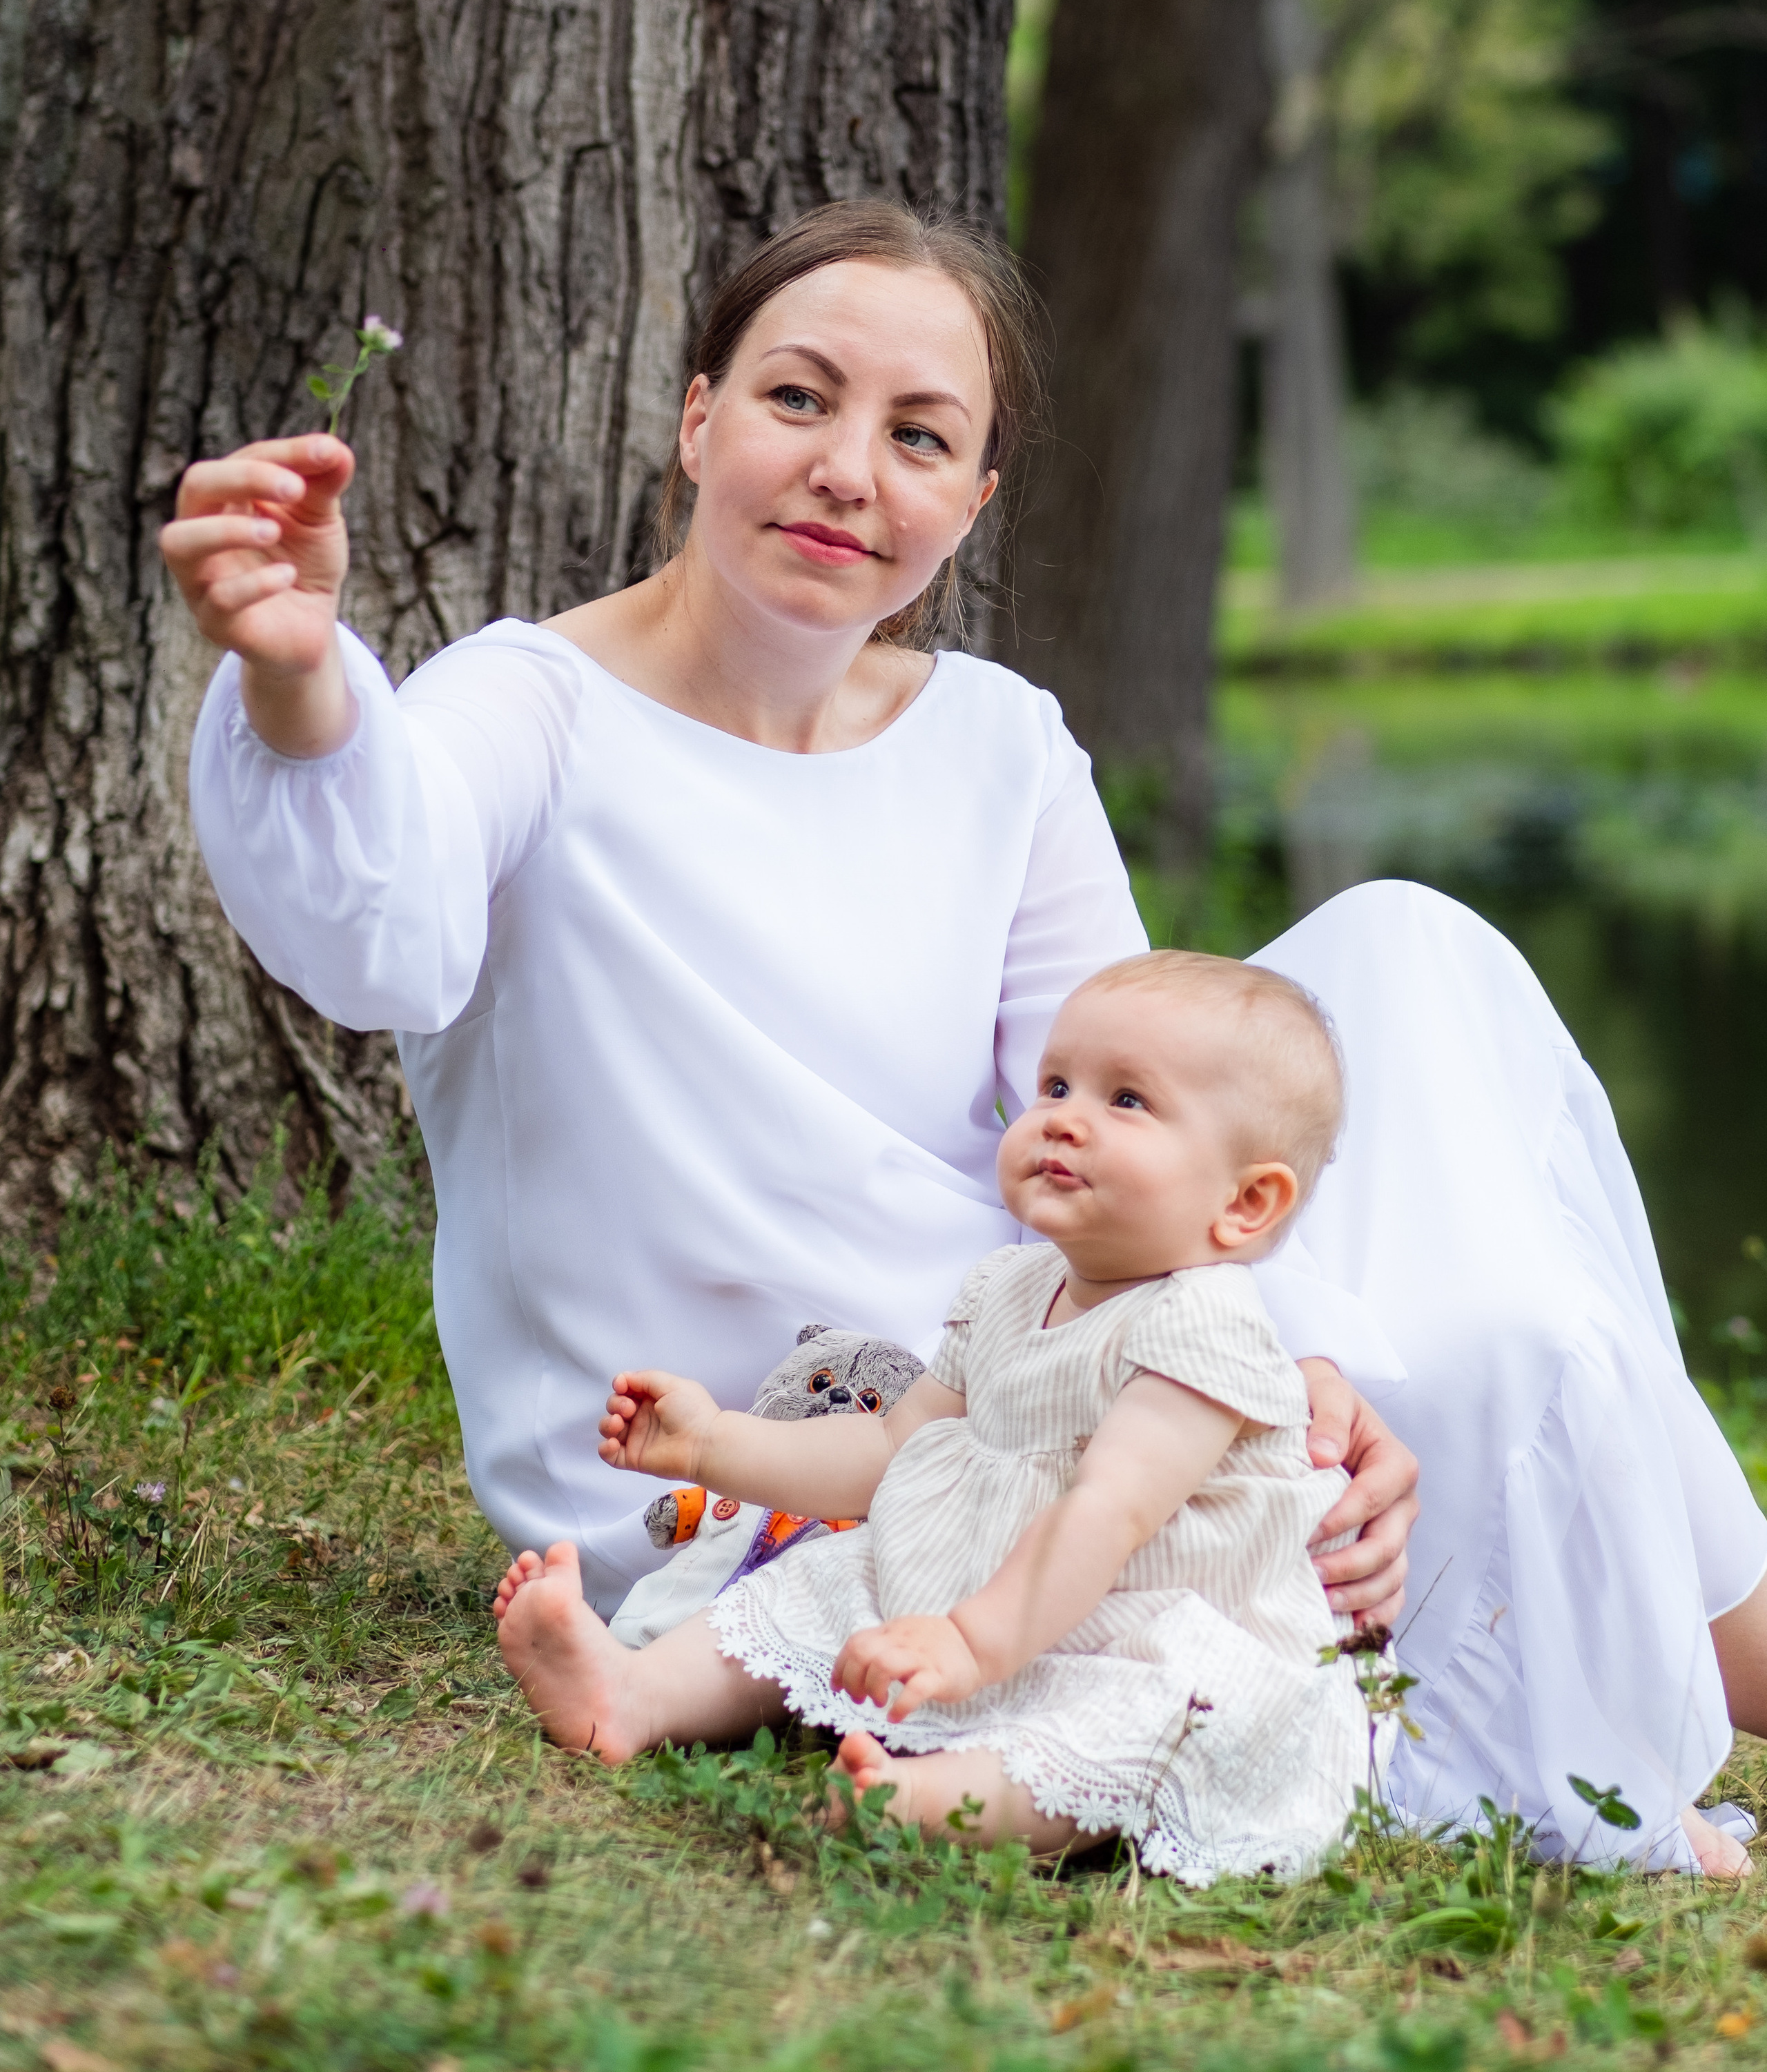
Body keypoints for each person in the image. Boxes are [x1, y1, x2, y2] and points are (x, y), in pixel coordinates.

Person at [160, 200, 1767, 1876]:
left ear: (973, 499)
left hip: (1053, 1363)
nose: (849, 470)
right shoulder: (529, 707)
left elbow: (1144, 1126)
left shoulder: (997, 741)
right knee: (1497, 1344)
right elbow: (377, 925)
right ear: (697, 415)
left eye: (919, 436)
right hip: (781, 1458)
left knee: (1416, 963)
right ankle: (1656, 1699)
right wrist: (299, 687)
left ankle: (1650, 1660)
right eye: (797, 400)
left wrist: (1280, 1363)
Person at [492, 950, 1382, 1882]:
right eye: (1054, 1085)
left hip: (1136, 1631)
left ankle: (931, 1802)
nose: (1063, 1120)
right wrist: (715, 1444)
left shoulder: (1203, 1327)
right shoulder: (1009, 1287)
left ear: (1245, 1203)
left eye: (1126, 1102)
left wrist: (967, 1641)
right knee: (826, 1574)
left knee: (1150, 1722)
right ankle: (632, 1695)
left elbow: (1107, 1510)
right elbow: (890, 1449)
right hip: (978, 1596)